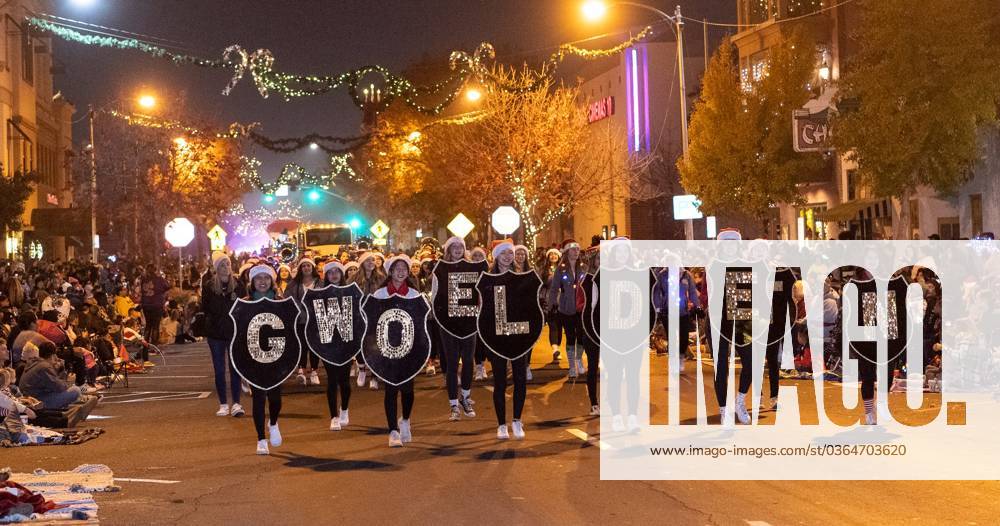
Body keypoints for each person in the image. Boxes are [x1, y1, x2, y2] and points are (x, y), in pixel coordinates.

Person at [373, 254, 421, 447]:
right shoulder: (380, 294)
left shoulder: (414, 295)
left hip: (409, 349)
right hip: (387, 350)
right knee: (391, 389)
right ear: (390, 271)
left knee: (408, 390)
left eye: (404, 268)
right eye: (397, 268)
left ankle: (406, 420)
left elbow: (420, 325)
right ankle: (392, 430)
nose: (401, 271)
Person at [432, 237, 478, 421]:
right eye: (454, 247)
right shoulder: (440, 269)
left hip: (469, 322)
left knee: (468, 361)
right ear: (448, 250)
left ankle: (465, 398)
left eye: (461, 247)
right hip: (448, 324)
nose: (458, 249)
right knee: (451, 363)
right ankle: (453, 405)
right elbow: (435, 295)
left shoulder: (473, 268)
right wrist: (438, 317)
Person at [487, 242, 528, 440]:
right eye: (502, 253)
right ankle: (501, 424)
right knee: (500, 382)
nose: (507, 256)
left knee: (520, 379)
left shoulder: (522, 278)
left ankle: (517, 421)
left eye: (509, 253)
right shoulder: (487, 279)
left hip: (519, 336)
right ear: (496, 256)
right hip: (496, 337)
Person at [201, 252, 246, 417]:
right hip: (216, 334)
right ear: (216, 268)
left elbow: (244, 306)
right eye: (221, 265)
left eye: (227, 264)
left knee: (235, 369)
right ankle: (223, 403)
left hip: (234, 333)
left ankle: (236, 403)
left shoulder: (239, 285)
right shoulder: (209, 286)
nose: (225, 267)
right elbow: (205, 308)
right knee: (219, 370)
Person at [245, 265, 284, 455]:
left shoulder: (280, 301)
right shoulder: (244, 303)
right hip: (253, 358)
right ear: (252, 282)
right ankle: (261, 438)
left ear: (272, 281)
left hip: (276, 356)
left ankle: (273, 422)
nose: (262, 281)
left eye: (266, 278)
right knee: (259, 398)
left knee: (275, 399)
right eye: (258, 278)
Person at [320, 261, 352, 431]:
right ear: (325, 275)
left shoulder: (350, 292)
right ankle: (334, 416)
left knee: (344, 381)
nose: (334, 275)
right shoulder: (320, 295)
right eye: (330, 272)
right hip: (328, 343)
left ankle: (344, 409)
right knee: (332, 380)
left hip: (346, 342)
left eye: (337, 271)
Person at [547, 239, 585, 377]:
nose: (576, 252)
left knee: (581, 336)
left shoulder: (584, 267)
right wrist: (551, 305)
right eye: (573, 249)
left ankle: (579, 360)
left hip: (582, 308)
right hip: (566, 307)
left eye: (577, 249)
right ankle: (571, 366)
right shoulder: (561, 268)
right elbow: (554, 289)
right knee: (570, 336)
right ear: (567, 251)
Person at [349, 252, 385, 390]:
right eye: (368, 260)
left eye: (373, 260)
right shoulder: (353, 278)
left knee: (375, 345)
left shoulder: (381, 278)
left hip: (375, 314)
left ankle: (375, 376)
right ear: (362, 263)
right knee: (360, 343)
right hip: (359, 315)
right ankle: (362, 369)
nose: (371, 262)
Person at [285, 257, 322, 386]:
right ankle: (301, 371)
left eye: (308, 265)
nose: (306, 268)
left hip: (316, 320)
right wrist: (299, 310)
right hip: (300, 320)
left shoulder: (320, 282)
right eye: (304, 266)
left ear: (312, 268)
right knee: (301, 346)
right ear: (300, 268)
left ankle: (314, 371)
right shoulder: (293, 284)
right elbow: (288, 300)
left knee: (314, 346)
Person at [19, 342, 84, 410]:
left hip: (31, 398)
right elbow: (59, 388)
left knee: (69, 390)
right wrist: (69, 381)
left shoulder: (35, 363)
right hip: (38, 401)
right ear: (53, 355)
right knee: (76, 390)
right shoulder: (45, 367)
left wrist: (60, 371)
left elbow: (54, 385)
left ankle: (60, 408)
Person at [513, 244, 536, 381]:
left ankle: (527, 365)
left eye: (523, 254)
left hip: (527, 309)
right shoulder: (510, 270)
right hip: (514, 310)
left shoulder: (531, 270)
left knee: (529, 339)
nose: (520, 256)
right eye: (518, 254)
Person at [539, 248, 562, 362]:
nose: (553, 256)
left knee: (559, 327)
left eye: (555, 254)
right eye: (551, 254)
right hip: (549, 301)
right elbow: (542, 285)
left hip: (562, 302)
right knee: (553, 326)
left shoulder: (564, 268)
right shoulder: (544, 270)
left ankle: (557, 348)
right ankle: (555, 348)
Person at [139, 264, 171, 345]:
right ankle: (154, 346)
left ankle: (145, 346)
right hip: (157, 305)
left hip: (146, 305)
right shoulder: (159, 279)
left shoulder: (143, 280)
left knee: (148, 326)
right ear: (155, 270)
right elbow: (167, 286)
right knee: (155, 326)